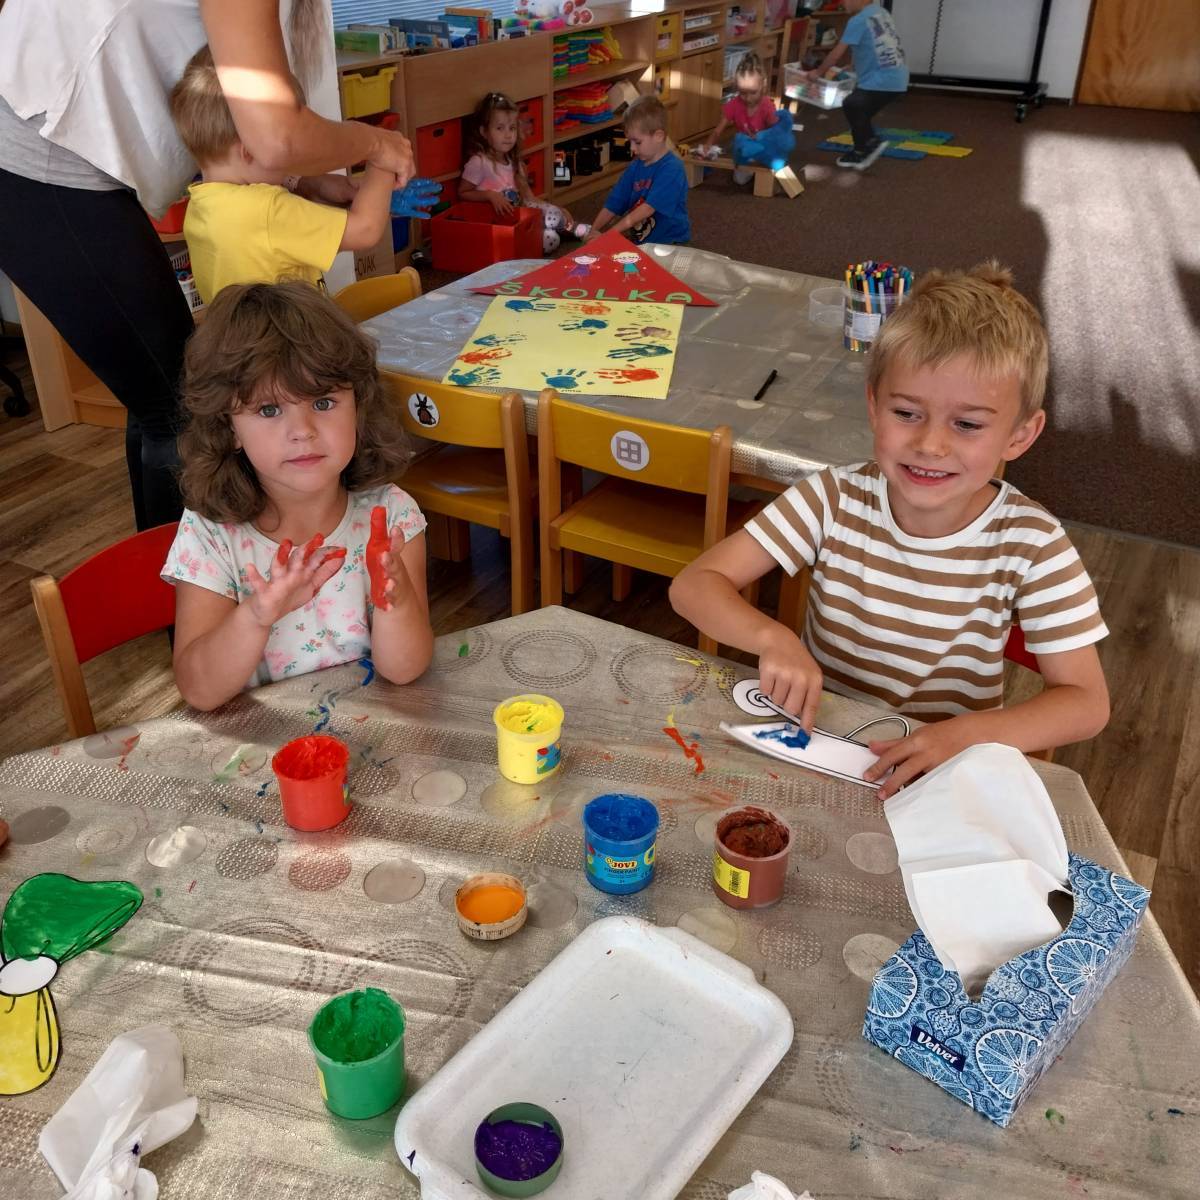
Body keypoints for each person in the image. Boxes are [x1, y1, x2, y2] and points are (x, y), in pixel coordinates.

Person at [670, 263, 1110, 799]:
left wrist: (966, 735)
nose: (930, 445)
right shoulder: (833, 496)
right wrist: (771, 637)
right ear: (874, 406)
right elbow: (694, 585)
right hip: (824, 743)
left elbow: (1086, 701)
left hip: (942, 773)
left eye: (967, 424)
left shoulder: (1034, 545)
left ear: (1020, 435)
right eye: (907, 413)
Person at [0, 0, 415, 530]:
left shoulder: (214, 201)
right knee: (176, 413)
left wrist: (302, 178)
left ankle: (174, 571)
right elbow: (281, 142)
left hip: (56, 150)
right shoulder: (263, 207)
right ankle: (197, 577)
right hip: (39, 157)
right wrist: (380, 149)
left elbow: (258, 136)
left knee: (156, 401)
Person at [162, 281, 433, 710]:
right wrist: (256, 615)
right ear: (229, 428)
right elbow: (199, 690)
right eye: (269, 410)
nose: (302, 431)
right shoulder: (211, 536)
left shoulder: (391, 516)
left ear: (359, 408)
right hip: (258, 745)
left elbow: (405, 670)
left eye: (323, 403)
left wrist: (394, 600)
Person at [170, 47, 397, 305]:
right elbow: (365, 230)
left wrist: (307, 185)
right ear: (251, 148)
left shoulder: (201, 206)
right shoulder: (266, 209)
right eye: (286, 146)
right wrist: (384, 155)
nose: (292, 159)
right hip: (295, 332)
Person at [458, 92, 579, 254]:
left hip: (519, 216)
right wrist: (489, 195)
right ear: (484, 132)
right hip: (498, 224)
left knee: (555, 215)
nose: (508, 135)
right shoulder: (479, 162)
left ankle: (569, 228)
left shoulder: (514, 162)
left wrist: (557, 208)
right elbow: (463, 193)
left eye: (512, 128)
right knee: (551, 239)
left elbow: (530, 198)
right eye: (500, 128)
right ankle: (557, 231)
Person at [806, 0, 908, 171]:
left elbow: (836, 54)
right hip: (898, 77)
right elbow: (874, 42)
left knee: (852, 105)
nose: (842, 2)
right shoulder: (881, 13)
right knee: (859, 111)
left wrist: (818, 72)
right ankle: (863, 147)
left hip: (881, 79)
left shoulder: (857, 20)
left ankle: (866, 146)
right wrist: (853, 64)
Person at [584, 96, 689, 246]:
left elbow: (647, 209)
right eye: (630, 142)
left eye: (637, 142)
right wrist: (593, 231)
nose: (632, 148)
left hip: (670, 243)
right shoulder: (635, 167)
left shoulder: (673, 168)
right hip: (641, 241)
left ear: (658, 136)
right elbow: (614, 203)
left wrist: (607, 236)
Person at [700, 52, 795, 185]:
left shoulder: (767, 105)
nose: (748, 98)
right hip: (746, 148)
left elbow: (775, 133)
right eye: (743, 93)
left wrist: (764, 140)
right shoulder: (733, 105)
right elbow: (718, 130)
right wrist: (708, 145)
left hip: (764, 147)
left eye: (753, 92)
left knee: (771, 173)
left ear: (763, 85)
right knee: (739, 180)